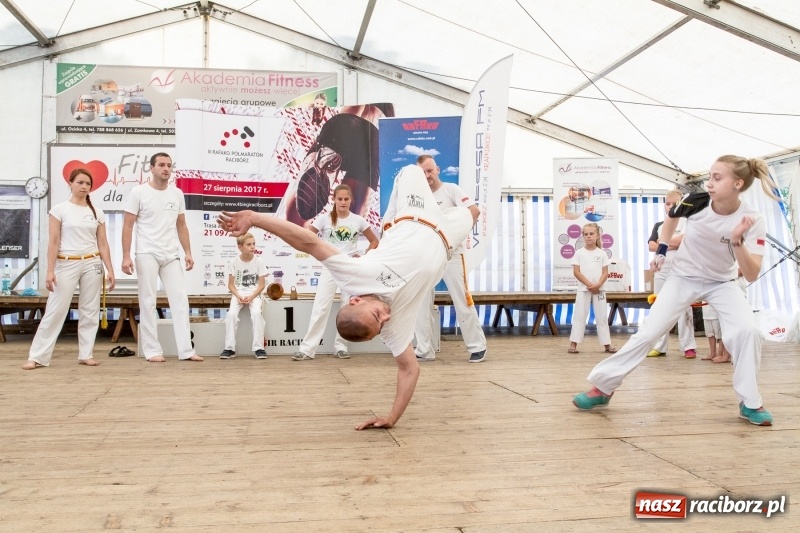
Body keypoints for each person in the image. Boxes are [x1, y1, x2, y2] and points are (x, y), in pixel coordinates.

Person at [218, 165, 475, 430]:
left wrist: (254, 218)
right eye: (381, 323)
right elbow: (409, 369)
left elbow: (309, 243)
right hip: (448, 237)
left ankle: (394, 208)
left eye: (377, 314)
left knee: (412, 169)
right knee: (474, 214)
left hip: (415, 214)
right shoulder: (392, 328)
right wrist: (392, 417)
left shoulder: (355, 276)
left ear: (355, 300)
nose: (388, 315)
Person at [573, 155, 780, 426]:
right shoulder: (696, 202)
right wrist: (661, 248)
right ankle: (602, 387)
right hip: (684, 277)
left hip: (723, 282)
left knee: (748, 332)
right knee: (648, 332)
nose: (709, 183)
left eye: (717, 178)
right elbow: (671, 220)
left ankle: (750, 402)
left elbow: (752, 273)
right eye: (709, 176)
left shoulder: (752, 219)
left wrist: (738, 242)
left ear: (738, 184)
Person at [23, 168, 115, 369]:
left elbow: (103, 243)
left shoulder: (97, 212)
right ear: (70, 184)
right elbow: (53, 242)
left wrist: (110, 269)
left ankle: (86, 353)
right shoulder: (59, 209)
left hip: (92, 263)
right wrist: (50, 270)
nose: (84, 187)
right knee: (55, 309)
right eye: (80, 183)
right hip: (66, 262)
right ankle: (37, 356)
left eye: (87, 184)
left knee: (90, 310)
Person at [402, 155, 487, 363]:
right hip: (426, 256)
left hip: (451, 255)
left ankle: (477, 346)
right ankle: (425, 349)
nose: (427, 175)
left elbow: (474, 212)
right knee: (421, 302)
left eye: (430, 171)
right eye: (423, 172)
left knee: (461, 297)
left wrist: (456, 237)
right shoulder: (417, 196)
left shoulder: (451, 190)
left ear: (438, 170)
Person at [121, 152, 203, 363]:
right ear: (152, 168)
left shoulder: (177, 194)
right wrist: (126, 256)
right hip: (146, 253)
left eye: (169, 165)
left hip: (170, 254)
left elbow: (181, 225)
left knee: (180, 300)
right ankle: (151, 350)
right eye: (161, 165)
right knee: (148, 301)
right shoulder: (138, 192)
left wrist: (187, 252)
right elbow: (128, 225)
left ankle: (186, 351)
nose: (166, 169)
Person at [292, 184, 379, 361]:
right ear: (334, 199)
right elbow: (307, 237)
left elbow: (374, 241)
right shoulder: (323, 219)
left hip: (349, 268)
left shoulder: (358, 220)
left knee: (348, 309)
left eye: (346, 199)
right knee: (320, 308)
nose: (343, 202)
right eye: (339, 199)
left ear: (351, 200)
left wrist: (362, 256)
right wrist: (319, 252)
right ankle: (307, 349)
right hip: (330, 266)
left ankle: (341, 347)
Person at [646, 189, 697, 358]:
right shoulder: (659, 225)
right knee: (659, 305)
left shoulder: (689, 222)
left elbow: (685, 240)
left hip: (682, 268)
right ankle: (659, 346)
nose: (670, 207)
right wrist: (667, 243)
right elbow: (651, 246)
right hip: (662, 269)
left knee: (684, 306)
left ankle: (688, 346)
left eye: (674, 204)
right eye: (667, 203)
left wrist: (664, 243)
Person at [567, 222, 617, 354]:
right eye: (586, 234)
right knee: (579, 315)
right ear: (582, 236)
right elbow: (576, 272)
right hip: (584, 289)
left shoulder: (602, 254)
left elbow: (605, 272)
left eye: (591, 234)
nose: (588, 236)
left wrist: (598, 285)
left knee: (602, 316)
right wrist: (590, 285)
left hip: (599, 289)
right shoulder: (579, 253)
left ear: (597, 235)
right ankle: (573, 344)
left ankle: (607, 344)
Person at [220, 233, 268, 360]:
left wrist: (251, 297)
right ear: (240, 247)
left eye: (253, 244)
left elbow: (262, 285)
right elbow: (231, 285)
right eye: (249, 244)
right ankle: (229, 348)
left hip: (254, 294)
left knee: (257, 314)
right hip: (238, 294)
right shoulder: (233, 261)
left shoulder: (259, 261)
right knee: (231, 315)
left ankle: (259, 348)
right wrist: (239, 296)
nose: (252, 247)